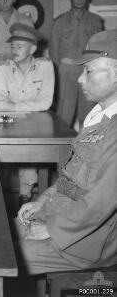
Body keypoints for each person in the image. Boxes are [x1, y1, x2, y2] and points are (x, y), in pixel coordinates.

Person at [14, 30, 117, 275]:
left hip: (82, 243)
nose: (80, 79)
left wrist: (51, 229)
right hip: (61, 217)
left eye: (89, 71)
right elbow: (72, 179)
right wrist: (41, 202)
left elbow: (101, 202)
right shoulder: (97, 118)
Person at [0, 23, 54, 207]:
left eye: (19, 46)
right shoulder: (2, 68)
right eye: (12, 46)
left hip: (34, 124)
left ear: (33, 49)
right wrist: (15, 107)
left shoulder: (45, 67)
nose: (14, 50)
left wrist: (12, 106)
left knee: (29, 149)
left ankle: (25, 196)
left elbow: (46, 103)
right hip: (7, 124)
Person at [49, 0, 103, 129]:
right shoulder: (59, 22)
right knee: (63, 114)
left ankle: (85, 148)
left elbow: (98, 49)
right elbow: (53, 52)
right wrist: (61, 74)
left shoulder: (95, 21)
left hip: (88, 70)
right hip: (66, 71)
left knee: (89, 112)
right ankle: (60, 149)